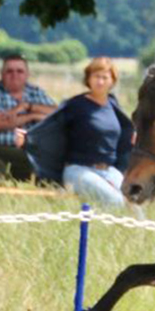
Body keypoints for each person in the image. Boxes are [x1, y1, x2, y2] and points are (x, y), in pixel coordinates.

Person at [15, 57, 134, 206]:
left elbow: (126, 131)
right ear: (88, 79)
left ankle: (141, 230)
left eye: (105, 77)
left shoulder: (113, 105)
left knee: (134, 200)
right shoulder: (76, 105)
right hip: (79, 171)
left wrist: (135, 138)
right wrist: (29, 138)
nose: (100, 81)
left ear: (112, 81)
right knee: (115, 202)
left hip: (108, 170)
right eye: (96, 76)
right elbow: (52, 125)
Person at [0, 54, 56, 184]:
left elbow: (57, 115)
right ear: (2, 74)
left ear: (27, 74)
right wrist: (32, 116)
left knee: (56, 171)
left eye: (19, 71)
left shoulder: (35, 92)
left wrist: (27, 107)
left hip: (30, 152)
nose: (14, 75)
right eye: (9, 71)